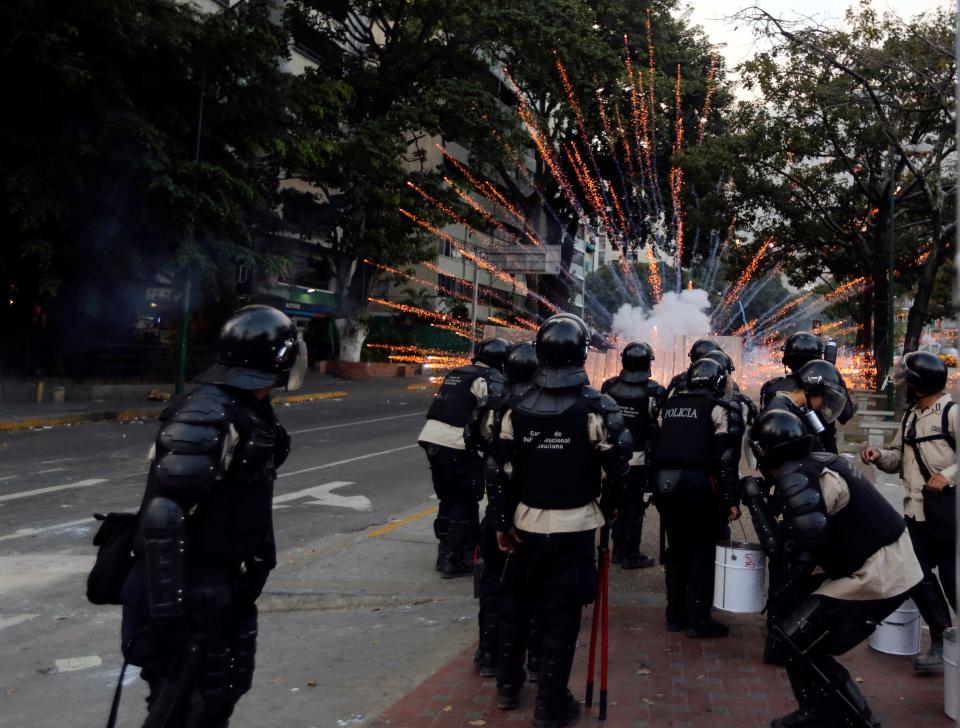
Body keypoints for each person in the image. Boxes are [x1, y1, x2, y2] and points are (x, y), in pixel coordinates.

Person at [120, 305, 306, 726]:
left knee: (217, 699)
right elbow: (164, 516)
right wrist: (170, 615)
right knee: (183, 710)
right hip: (186, 594)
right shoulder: (206, 412)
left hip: (219, 591)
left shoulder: (247, 408)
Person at [485, 314, 632, 727]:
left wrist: (501, 521)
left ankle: (509, 686)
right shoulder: (596, 407)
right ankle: (550, 705)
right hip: (575, 527)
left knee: (518, 606)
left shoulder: (514, 406)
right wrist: (610, 509)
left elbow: (497, 469)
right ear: (582, 353)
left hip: (526, 525)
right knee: (562, 616)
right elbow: (619, 467)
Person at [749, 409, 922, 728]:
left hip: (880, 571)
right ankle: (815, 710)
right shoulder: (817, 462)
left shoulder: (807, 478)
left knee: (800, 639)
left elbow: (787, 548)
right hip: (873, 562)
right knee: (792, 635)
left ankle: (861, 721)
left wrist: (756, 506)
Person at [861, 351, 957, 673]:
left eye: (909, 381)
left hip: (947, 514)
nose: (905, 386)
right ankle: (942, 640)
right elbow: (898, 457)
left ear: (920, 384)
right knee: (914, 575)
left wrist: (949, 475)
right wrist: (879, 456)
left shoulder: (952, 413)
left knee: (953, 582)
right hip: (915, 513)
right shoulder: (910, 416)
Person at [652, 357, 741, 638]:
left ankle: (673, 615)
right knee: (702, 551)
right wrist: (730, 499)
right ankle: (699, 619)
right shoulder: (718, 408)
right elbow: (725, 458)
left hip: (665, 484)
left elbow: (654, 444)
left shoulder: (670, 405)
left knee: (676, 548)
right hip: (699, 484)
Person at [472, 341, 541, 680]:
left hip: (500, 509)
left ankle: (489, 654)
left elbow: (479, 449)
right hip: (532, 512)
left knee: (494, 587)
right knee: (528, 591)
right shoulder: (543, 406)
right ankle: (528, 662)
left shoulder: (493, 407)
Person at [418, 338, 508, 577]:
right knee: (463, 498)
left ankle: (447, 552)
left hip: (431, 439)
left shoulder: (458, 372)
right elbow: (493, 412)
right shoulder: (489, 378)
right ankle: (452, 558)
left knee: (448, 497)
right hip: (456, 443)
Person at [601, 341, 665, 569]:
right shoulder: (654, 391)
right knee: (634, 507)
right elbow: (658, 424)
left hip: (610, 457)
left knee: (615, 502)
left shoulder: (608, 387)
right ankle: (630, 554)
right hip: (638, 458)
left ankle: (618, 550)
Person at [761, 333, 856, 453]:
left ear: (787, 361)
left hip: (782, 457)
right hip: (823, 454)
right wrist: (834, 377)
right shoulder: (827, 387)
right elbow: (845, 415)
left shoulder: (771, 387)